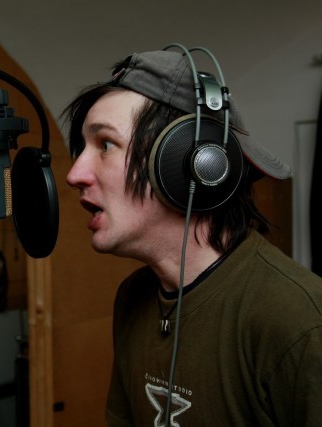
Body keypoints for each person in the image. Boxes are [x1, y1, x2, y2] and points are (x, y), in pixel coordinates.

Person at [63, 46, 322, 426]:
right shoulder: (133, 297)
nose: (74, 175)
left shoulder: (299, 321)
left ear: (189, 162)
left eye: (105, 144)